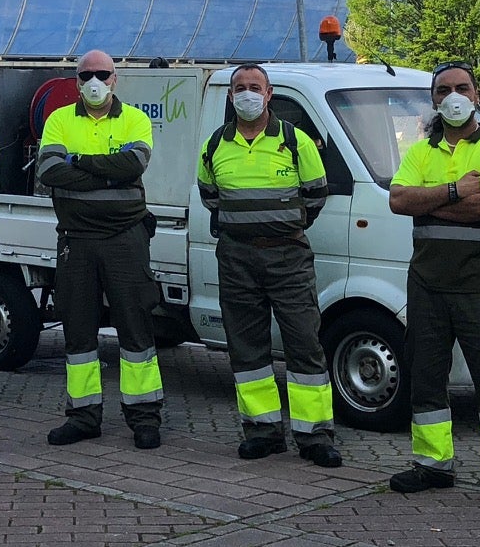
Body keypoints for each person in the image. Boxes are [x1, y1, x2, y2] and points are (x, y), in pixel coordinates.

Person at [386, 63, 480, 507]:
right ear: (433, 99)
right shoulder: (420, 150)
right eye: (444, 89)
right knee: (426, 377)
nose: (453, 96)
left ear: (477, 95)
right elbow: (396, 199)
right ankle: (432, 465)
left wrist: (426, 205)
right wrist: (453, 192)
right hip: (427, 284)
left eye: (461, 88)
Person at [196, 64, 340, 468]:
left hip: (287, 256)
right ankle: (262, 431)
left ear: (269, 92)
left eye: (254, 87)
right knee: (246, 347)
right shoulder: (214, 145)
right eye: (239, 87)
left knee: (304, 343)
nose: (246, 93)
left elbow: (315, 197)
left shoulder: (295, 142)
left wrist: (278, 228)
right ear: (230, 96)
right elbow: (211, 195)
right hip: (236, 257)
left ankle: (315, 437)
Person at [36, 49, 164, 449]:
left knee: (135, 327)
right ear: (76, 81)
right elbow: (50, 171)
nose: (94, 81)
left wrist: (80, 164)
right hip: (77, 240)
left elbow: (134, 166)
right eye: (86, 74)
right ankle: (83, 416)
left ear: (115, 79)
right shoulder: (58, 119)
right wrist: (107, 173)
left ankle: (144, 418)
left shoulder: (135, 119)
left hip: (126, 237)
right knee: (77, 330)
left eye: (102, 74)